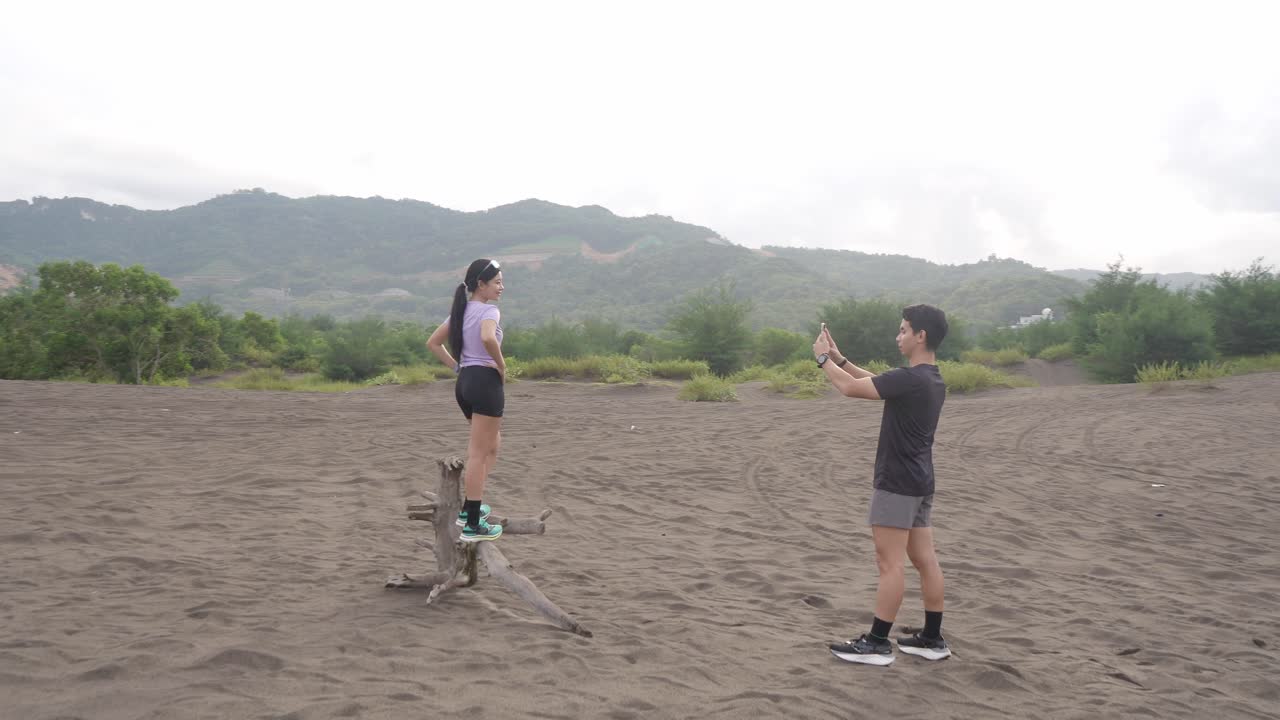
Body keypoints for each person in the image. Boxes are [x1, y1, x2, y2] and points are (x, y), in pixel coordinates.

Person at [814, 305, 953, 665]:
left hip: (897, 483)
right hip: (921, 481)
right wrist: (840, 359)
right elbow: (875, 381)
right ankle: (932, 638)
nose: (898, 336)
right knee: (925, 561)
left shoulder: (911, 379)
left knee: (889, 563)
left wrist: (821, 361)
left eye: (904, 330)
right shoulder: (930, 378)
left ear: (921, 335)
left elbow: (849, 389)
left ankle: (877, 642)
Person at [426, 259, 507, 542]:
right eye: (497, 282)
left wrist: (457, 367)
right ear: (481, 285)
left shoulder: (460, 312)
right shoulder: (489, 311)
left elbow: (433, 343)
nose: (501, 287)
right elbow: (487, 337)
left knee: (492, 445)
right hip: (485, 383)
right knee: (478, 453)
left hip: (465, 384)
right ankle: (473, 523)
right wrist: (501, 365)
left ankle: (469, 507)